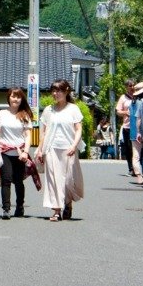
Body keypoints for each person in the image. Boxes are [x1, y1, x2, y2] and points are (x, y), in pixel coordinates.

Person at [36, 79, 84, 221]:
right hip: (51, 148)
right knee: (53, 179)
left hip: (68, 148)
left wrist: (74, 145)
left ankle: (67, 202)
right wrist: (40, 149)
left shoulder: (73, 109)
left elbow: (78, 129)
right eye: (54, 90)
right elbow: (43, 132)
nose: (55, 93)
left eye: (59, 90)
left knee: (69, 179)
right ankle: (56, 210)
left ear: (66, 91)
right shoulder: (48, 110)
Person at [0, 89, 33, 219]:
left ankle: (20, 207)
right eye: (13, 96)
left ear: (22, 99)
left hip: (19, 153)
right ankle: (6, 209)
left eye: (18, 97)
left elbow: (28, 135)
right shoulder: (2, 114)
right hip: (4, 152)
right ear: (8, 98)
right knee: (6, 180)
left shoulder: (24, 115)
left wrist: (26, 152)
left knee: (18, 181)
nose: (15, 99)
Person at [128, 81, 143, 187]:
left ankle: (139, 176)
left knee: (136, 155)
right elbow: (139, 119)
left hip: (133, 131)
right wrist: (139, 131)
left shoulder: (132, 103)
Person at [116, 80, 134, 176]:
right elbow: (118, 111)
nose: (132, 87)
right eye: (130, 86)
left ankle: (138, 167)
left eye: (133, 85)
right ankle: (131, 168)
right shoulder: (123, 98)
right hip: (127, 126)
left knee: (137, 148)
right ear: (126, 87)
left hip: (138, 126)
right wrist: (125, 112)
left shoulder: (138, 96)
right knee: (129, 148)